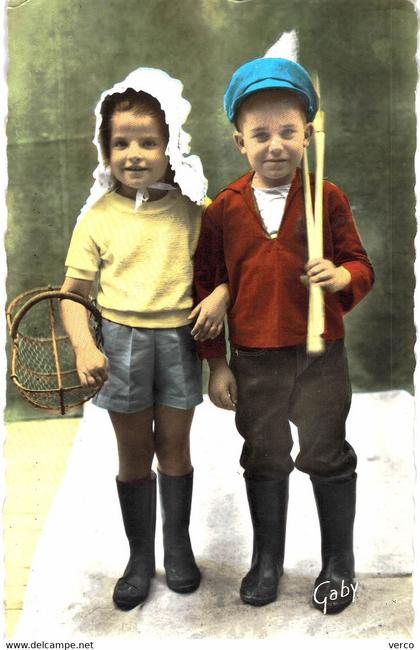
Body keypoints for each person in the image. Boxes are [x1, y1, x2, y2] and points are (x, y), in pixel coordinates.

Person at [194, 56, 374, 613]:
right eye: (261, 134)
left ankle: (337, 565)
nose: (275, 145)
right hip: (254, 358)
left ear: (308, 135)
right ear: (238, 142)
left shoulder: (328, 197)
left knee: (327, 455)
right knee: (265, 457)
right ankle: (267, 560)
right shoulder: (222, 209)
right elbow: (207, 289)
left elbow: (360, 265)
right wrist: (217, 364)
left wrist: (342, 276)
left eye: (289, 132)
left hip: (319, 355)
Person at [59, 68, 229, 611]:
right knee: (133, 456)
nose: (134, 154)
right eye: (122, 143)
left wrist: (220, 295)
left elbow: (223, 273)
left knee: (173, 450)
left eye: (148, 142)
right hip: (120, 345)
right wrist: (87, 347)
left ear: (171, 145)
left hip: (179, 343)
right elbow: (70, 295)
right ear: (105, 149)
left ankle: (177, 548)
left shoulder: (192, 214)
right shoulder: (97, 218)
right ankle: (139, 558)